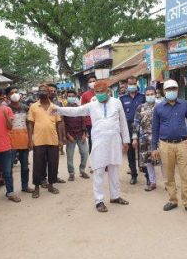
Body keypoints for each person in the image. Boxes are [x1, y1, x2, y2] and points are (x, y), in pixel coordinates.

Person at [51, 80, 130, 213]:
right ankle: (99, 200)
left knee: (114, 170)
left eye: (102, 92)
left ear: (108, 91)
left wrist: (126, 140)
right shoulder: (92, 105)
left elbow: (123, 122)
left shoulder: (117, 102)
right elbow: (75, 111)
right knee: (98, 171)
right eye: (97, 92)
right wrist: (58, 109)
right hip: (99, 142)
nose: (99, 94)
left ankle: (115, 196)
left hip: (114, 141)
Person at [151, 79, 187, 217]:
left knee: (186, 174)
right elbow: (155, 129)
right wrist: (154, 147)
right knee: (169, 174)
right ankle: (172, 200)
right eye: (168, 89)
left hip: (183, 143)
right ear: (164, 91)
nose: (171, 91)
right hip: (165, 144)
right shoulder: (158, 108)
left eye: (174, 88)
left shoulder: (185, 104)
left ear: (177, 89)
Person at [27, 84, 62, 198]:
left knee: (53, 164)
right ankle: (36, 188)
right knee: (38, 165)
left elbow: (58, 123)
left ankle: (51, 185)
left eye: (44, 91)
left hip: (53, 140)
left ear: (49, 93)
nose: (42, 92)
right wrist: (30, 140)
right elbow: (30, 124)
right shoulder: (34, 107)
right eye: (40, 90)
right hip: (38, 140)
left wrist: (61, 140)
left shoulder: (54, 107)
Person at [132, 86, 162, 192]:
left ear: (156, 94)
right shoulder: (140, 107)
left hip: (159, 138)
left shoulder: (161, 106)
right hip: (144, 139)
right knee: (148, 161)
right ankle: (152, 182)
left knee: (162, 161)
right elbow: (136, 123)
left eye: (152, 94)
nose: (150, 96)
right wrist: (134, 138)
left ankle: (168, 183)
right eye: (148, 94)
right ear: (145, 95)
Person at [6, 87, 34, 193]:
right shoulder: (6, 109)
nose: (14, 94)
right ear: (8, 96)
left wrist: (30, 140)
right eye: (12, 93)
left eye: (16, 92)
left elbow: (29, 125)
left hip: (24, 141)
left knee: (25, 167)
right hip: (11, 142)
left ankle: (25, 186)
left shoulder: (26, 108)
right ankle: (10, 190)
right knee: (9, 168)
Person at [120, 76, 145, 185]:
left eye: (134, 83)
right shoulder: (122, 99)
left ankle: (146, 173)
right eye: (130, 84)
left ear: (137, 83)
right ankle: (133, 174)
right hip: (128, 128)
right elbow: (120, 116)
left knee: (142, 150)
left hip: (142, 127)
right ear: (126, 84)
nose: (132, 86)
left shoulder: (143, 97)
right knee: (130, 152)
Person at [64, 90, 90, 181]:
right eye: (69, 96)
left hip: (80, 134)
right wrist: (67, 135)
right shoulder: (64, 109)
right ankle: (71, 173)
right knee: (70, 156)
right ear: (66, 97)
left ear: (75, 97)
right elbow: (63, 124)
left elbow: (83, 121)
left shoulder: (79, 108)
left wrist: (84, 133)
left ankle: (82, 170)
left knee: (85, 153)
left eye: (72, 96)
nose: (71, 97)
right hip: (70, 136)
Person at [47, 83, 66, 180]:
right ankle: (43, 179)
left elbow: (61, 121)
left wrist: (62, 137)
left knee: (54, 158)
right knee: (44, 159)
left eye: (54, 91)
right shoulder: (39, 104)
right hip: (44, 135)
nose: (53, 93)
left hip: (55, 134)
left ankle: (54, 176)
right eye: (50, 91)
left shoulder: (59, 103)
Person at [81, 75, 97, 153]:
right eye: (90, 82)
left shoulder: (101, 92)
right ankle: (93, 159)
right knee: (91, 141)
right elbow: (83, 110)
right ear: (88, 84)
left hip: (100, 121)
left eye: (94, 81)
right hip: (89, 122)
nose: (92, 83)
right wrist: (84, 125)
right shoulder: (85, 95)